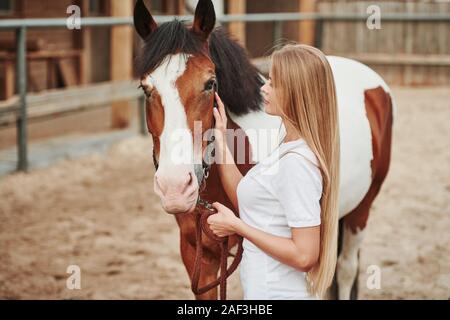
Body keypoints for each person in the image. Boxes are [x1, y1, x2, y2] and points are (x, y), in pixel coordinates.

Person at [207, 44, 340, 300]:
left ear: (297, 93)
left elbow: (305, 255)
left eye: (274, 83)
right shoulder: (288, 148)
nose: (264, 88)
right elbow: (250, 204)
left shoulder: (297, 164)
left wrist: (236, 226)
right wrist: (221, 140)